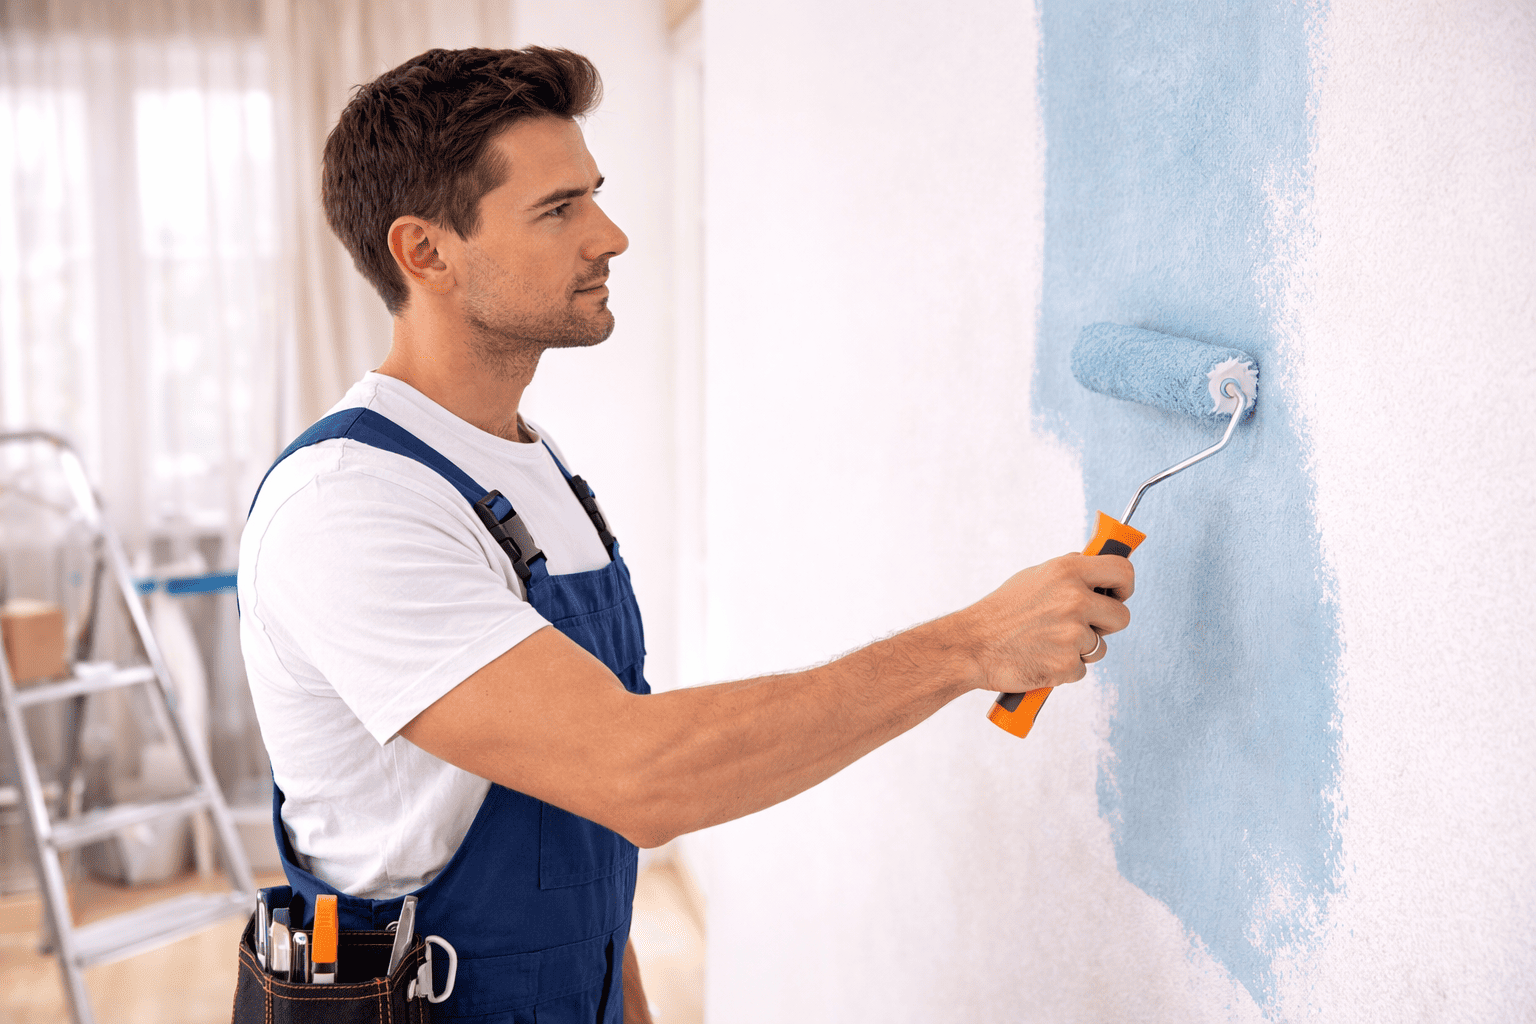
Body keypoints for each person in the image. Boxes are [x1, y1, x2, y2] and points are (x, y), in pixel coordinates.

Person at [238, 46, 1133, 1024]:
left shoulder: (532, 464)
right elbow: (636, 773)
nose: (611, 235)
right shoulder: (350, 504)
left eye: (595, 195)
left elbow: (572, 824)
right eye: (559, 209)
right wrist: (967, 645)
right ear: (427, 252)